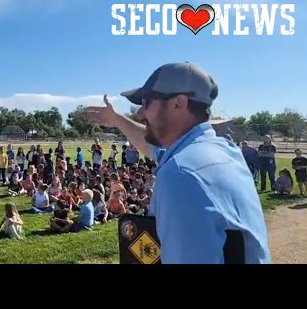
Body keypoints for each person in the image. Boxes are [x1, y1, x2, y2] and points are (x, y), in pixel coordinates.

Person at [84, 62, 271, 264]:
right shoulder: (222, 150)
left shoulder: (181, 173)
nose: (140, 113)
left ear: (178, 103)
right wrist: (117, 120)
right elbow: (153, 149)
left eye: (146, 102)